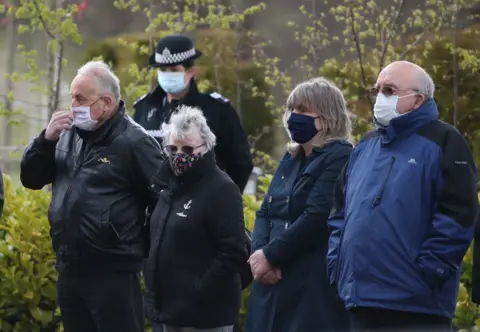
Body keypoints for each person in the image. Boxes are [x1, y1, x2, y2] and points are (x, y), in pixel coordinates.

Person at [327, 60, 479, 332]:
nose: (379, 97)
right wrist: (337, 265)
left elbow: (459, 215)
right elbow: (340, 212)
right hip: (360, 303)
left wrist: (429, 271)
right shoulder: (365, 146)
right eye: (378, 90)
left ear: (418, 100)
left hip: (416, 308)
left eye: (389, 90)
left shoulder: (444, 141)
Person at [20, 61, 164, 332]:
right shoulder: (65, 134)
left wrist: (134, 244)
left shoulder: (135, 142)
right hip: (70, 267)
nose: (73, 105)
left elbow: (164, 201)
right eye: (72, 97)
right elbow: (31, 179)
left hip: (113, 273)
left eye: (80, 99)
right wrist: (45, 141)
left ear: (106, 103)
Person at [245, 77, 353, 332]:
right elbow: (265, 211)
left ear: (326, 118)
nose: (294, 116)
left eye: (303, 110)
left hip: (309, 285)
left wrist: (270, 255)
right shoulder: (291, 157)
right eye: (292, 109)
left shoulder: (340, 156)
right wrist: (259, 255)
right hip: (271, 280)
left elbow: (317, 215)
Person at [143, 105, 247, 332]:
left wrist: (197, 290)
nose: (179, 155)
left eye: (188, 149)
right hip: (167, 312)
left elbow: (233, 252)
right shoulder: (166, 186)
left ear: (206, 147)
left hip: (204, 317)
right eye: (173, 148)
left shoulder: (222, 189)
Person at [133, 34, 253, 193]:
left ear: (191, 71)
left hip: (203, 205)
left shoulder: (217, 111)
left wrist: (225, 199)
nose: (167, 75)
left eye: (174, 70)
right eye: (163, 70)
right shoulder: (144, 110)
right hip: (155, 206)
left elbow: (240, 163)